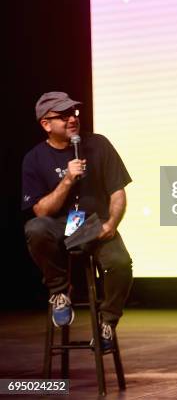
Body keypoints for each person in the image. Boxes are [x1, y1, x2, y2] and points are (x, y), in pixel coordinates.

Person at [22, 91, 133, 350]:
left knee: (120, 262)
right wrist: (68, 179)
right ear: (46, 124)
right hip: (62, 224)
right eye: (63, 116)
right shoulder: (34, 158)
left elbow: (118, 192)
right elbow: (40, 211)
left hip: (94, 222)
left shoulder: (99, 144)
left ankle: (108, 322)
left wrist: (112, 223)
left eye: (74, 113)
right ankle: (60, 292)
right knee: (35, 229)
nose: (72, 119)